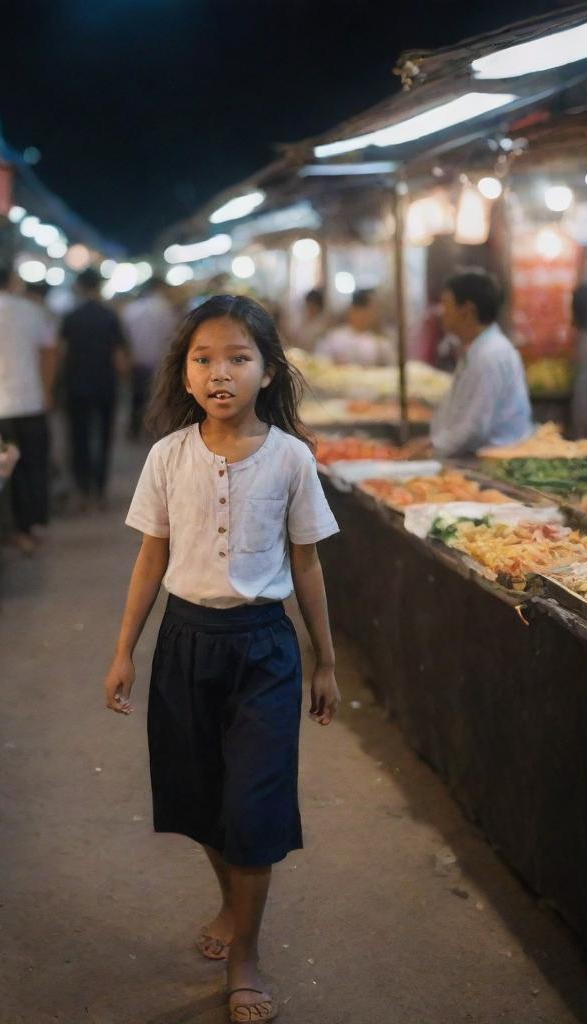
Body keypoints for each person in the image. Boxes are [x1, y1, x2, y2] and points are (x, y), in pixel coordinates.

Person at [102, 295, 340, 1024]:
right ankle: (233, 904)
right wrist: (124, 653)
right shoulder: (168, 456)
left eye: (238, 358)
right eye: (203, 358)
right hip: (184, 643)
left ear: (268, 371)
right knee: (201, 797)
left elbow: (307, 567)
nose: (219, 373)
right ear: (184, 371)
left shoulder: (293, 458)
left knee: (254, 805)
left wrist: (325, 661)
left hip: (265, 648)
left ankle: (247, 954)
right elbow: (151, 558)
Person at [0, 263, 57, 554]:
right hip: (31, 402)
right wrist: (47, 390)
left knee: (3, 477)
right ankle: (29, 528)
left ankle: (12, 532)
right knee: (32, 468)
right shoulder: (31, 310)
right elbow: (51, 351)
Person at [431, 269, 533, 457]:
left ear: (467, 311)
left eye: (446, 304)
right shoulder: (477, 351)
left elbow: (474, 427)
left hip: (492, 461)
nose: (441, 312)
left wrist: (434, 448)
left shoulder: (491, 355)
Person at [59, 268, 128, 510]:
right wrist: (124, 381)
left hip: (76, 384)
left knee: (79, 438)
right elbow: (119, 355)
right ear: (98, 287)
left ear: (79, 287)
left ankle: (83, 489)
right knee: (104, 437)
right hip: (105, 384)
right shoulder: (110, 316)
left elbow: (61, 352)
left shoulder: (70, 317)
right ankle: (100, 491)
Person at [121, 279, 179, 440]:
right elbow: (171, 336)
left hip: (136, 361)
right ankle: (151, 430)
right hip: (159, 362)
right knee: (156, 397)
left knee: (136, 397)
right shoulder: (165, 308)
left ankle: (134, 428)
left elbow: (125, 338)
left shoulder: (131, 309)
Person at [319, 289, 392, 366]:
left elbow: (391, 367)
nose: (361, 317)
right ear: (351, 311)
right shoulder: (334, 337)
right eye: (357, 312)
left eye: (365, 313)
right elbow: (321, 361)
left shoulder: (381, 343)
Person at [294, 288, 331, 352]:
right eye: (308, 305)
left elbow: (325, 345)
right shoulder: (300, 318)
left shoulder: (324, 323)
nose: (310, 309)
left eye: (313, 306)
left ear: (319, 307)